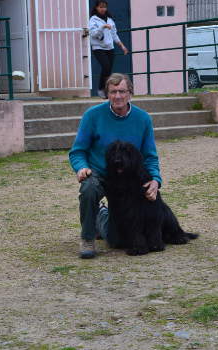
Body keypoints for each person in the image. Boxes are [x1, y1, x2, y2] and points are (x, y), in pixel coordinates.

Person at [69, 73, 161, 259]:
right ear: (107, 94)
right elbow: (77, 151)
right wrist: (81, 167)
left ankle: (101, 216)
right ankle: (88, 238)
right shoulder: (92, 116)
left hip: (129, 178)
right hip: (102, 174)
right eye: (113, 92)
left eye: (122, 91)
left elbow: (150, 156)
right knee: (88, 188)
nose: (117, 96)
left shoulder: (143, 119)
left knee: (117, 241)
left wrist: (155, 180)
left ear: (130, 93)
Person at [89, 0, 128, 99]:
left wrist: (122, 46)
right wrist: (103, 27)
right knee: (105, 67)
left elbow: (114, 34)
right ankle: (101, 89)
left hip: (110, 48)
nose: (103, 9)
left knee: (108, 70)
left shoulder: (110, 20)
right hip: (98, 47)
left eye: (104, 7)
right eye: (101, 7)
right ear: (96, 8)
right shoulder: (93, 20)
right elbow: (93, 34)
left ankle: (107, 90)